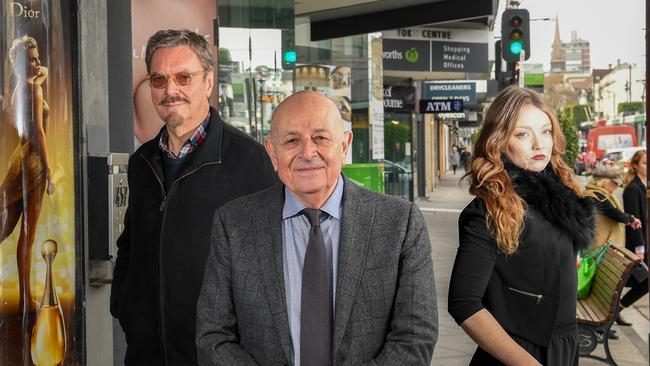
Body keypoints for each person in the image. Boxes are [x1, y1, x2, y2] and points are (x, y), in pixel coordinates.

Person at [196, 91, 438, 366]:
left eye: (321, 138)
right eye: (291, 140)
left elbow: (415, 338)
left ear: (344, 146)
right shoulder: (233, 224)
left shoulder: (400, 223)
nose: (307, 153)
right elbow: (214, 336)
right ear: (272, 153)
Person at [109, 29, 277, 365]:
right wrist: (125, 306)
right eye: (159, 79)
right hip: (146, 355)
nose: (171, 90)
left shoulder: (248, 161)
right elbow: (131, 244)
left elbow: (271, 267)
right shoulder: (142, 162)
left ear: (208, 82)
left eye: (184, 77)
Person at [448, 86, 595, 365]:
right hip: (520, 355)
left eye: (546, 131)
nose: (539, 144)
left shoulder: (559, 199)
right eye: (522, 134)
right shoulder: (488, 210)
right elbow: (464, 303)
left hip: (564, 346)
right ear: (500, 141)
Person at [1, 35, 55, 362]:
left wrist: (35, 72)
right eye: (30, 60)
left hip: (19, 161)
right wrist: (49, 170)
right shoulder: (32, 89)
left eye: (37, 58)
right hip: (33, 162)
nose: (37, 64)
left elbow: (43, 70)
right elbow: (39, 135)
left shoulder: (24, 85)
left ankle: (25, 298)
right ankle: (25, 299)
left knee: (11, 230)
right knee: (27, 235)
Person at [619, 150, 648, 324]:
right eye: (645, 163)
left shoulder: (644, 187)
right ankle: (616, 311)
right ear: (636, 166)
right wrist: (640, 249)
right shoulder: (633, 189)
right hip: (639, 245)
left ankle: (616, 311)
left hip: (645, 242)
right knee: (642, 282)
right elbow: (634, 220)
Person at [584, 165, 641, 248]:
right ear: (605, 181)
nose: (617, 186)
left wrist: (628, 220)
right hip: (600, 248)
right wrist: (631, 219)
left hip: (603, 246)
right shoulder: (595, 195)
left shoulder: (596, 194)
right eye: (615, 183)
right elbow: (612, 212)